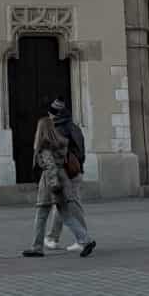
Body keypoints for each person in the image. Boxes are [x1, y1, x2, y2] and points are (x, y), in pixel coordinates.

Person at [21, 99, 95, 258]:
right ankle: (86, 239)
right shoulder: (62, 142)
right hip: (64, 178)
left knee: (41, 214)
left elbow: (49, 167)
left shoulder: (45, 145)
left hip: (50, 182)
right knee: (66, 214)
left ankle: (37, 247)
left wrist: (54, 185)